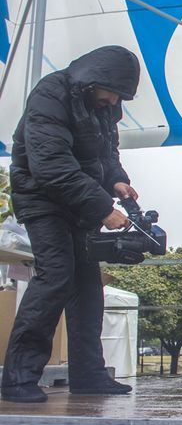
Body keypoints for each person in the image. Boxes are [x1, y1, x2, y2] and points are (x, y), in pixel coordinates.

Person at [1, 45, 141, 403]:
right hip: (42, 199)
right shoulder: (51, 94)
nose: (114, 102)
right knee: (56, 276)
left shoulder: (103, 105)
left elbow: (107, 152)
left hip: (79, 201)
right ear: (96, 80)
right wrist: (101, 208)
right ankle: (18, 378)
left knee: (88, 286)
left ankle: (89, 375)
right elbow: (50, 165)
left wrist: (116, 180)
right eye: (112, 93)